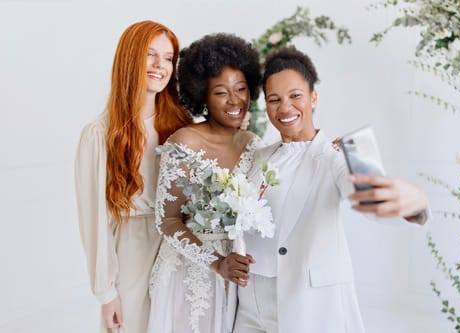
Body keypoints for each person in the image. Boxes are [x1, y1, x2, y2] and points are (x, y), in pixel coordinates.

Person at [233, 46, 429, 333]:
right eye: (274, 99)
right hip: (250, 303)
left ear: (313, 97)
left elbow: (368, 196)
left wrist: (414, 204)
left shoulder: (336, 155)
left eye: (295, 96)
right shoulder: (258, 156)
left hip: (307, 304)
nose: (285, 107)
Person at [75, 20, 192, 332]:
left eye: (168, 58)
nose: (160, 66)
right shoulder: (99, 134)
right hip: (133, 248)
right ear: (130, 58)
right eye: (150, 54)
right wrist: (106, 292)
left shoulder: (182, 124)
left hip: (180, 245)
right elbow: (95, 221)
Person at [148, 33, 262, 333]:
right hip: (189, 273)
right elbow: (167, 221)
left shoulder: (253, 143)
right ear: (203, 97)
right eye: (221, 92)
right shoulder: (184, 142)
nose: (235, 100)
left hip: (235, 275)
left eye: (241, 88)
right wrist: (215, 263)